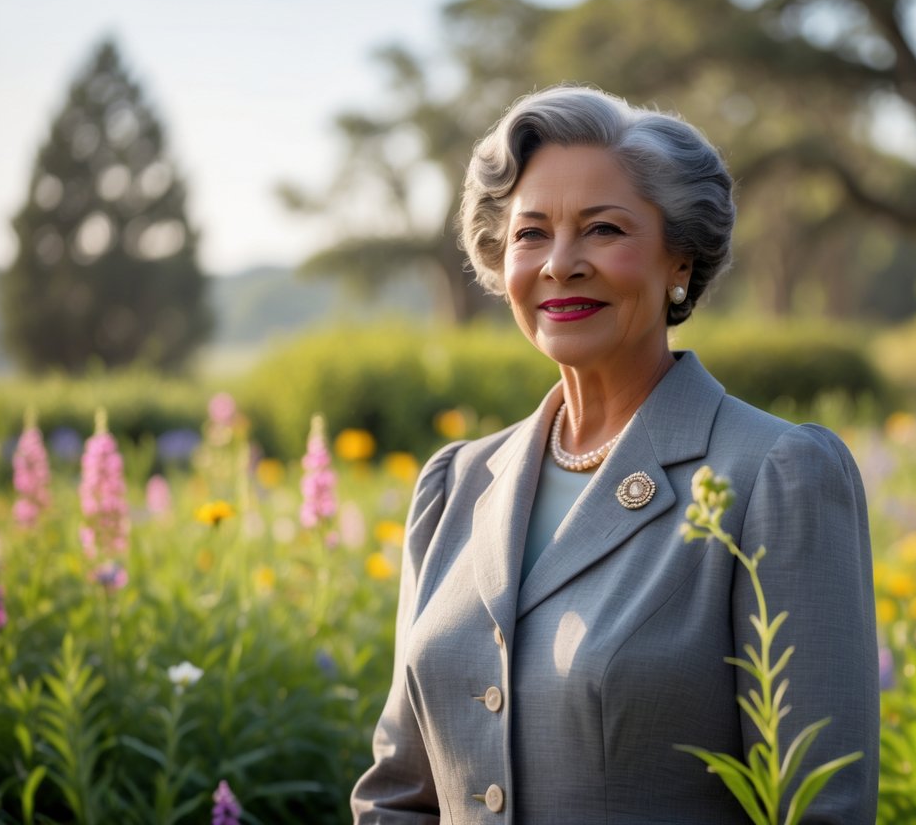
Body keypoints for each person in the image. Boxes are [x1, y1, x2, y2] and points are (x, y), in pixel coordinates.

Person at [351, 84, 878, 824]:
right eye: (531, 234)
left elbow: (818, 808)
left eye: (602, 229)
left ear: (679, 262)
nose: (560, 264)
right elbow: (399, 795)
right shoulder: (453, 487)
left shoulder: (775, 475)